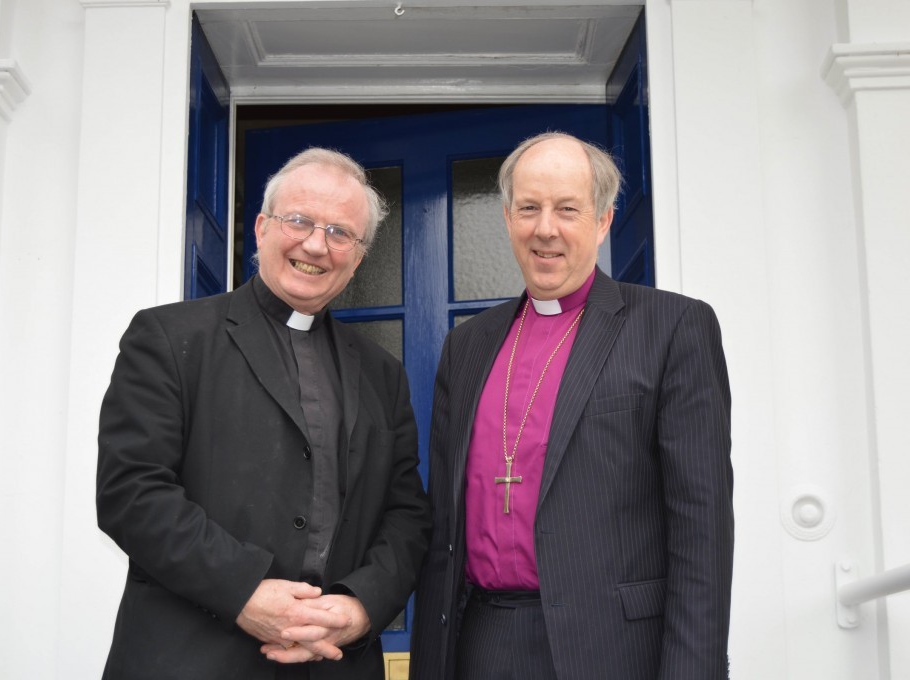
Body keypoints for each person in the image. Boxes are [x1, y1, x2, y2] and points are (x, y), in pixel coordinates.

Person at [96, 148, 432, 680]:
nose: (316, 245)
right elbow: (132, 493)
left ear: (359, 256)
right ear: (261, 227)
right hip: (190, 660)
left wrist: (359, 606)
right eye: (299, 221)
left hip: (333, 663)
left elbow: (407, 513)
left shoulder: (381, 373)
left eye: (341, 233)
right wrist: (244, 591)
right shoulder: (169, 337)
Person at [410, 132, 733, 679]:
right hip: (480, 642)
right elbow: (442, 521)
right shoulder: (467, 346)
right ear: (508, 217)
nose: (545, 229)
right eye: (529, 208)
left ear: (603, 220)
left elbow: (701, 530)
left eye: (567, 209)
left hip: (615, 648)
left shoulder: (673, 327)